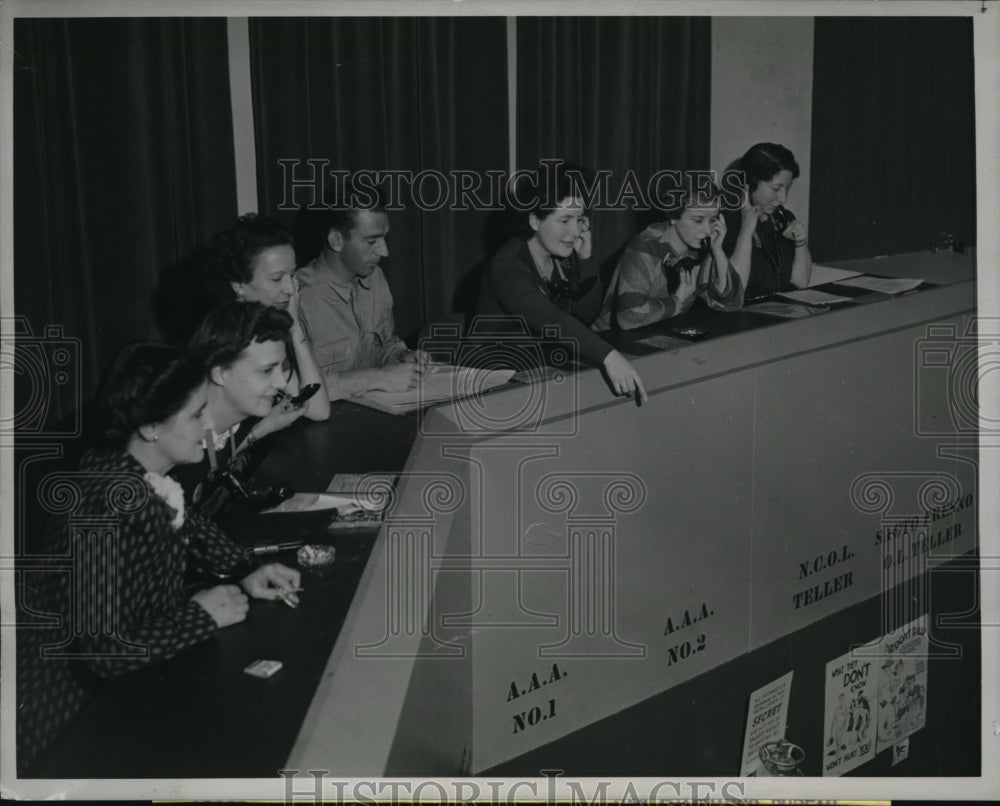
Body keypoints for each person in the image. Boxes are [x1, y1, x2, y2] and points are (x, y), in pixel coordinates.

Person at [16, 343, 300, 774]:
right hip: (63, 714)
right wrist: (201, 615)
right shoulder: (102, 508)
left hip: (118, 688)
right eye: (195, 414)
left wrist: (246, 567)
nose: (208, 425)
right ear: (150, 426)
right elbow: (105, 651)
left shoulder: (130, 470)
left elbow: (184, 521)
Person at [476, 163, 647, 402]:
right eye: (565, 220)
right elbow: (549, 319)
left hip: (538, 366)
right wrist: (609, 356)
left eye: (580, 219)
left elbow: (583, 314)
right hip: (495, 377)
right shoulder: (506, 268)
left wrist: (586, 261)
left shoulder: (558, 255)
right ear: (535, 221)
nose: (576, 230)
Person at [295, 190, 427, 398]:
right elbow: (296, 389)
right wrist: (378, 378)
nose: (384, 252)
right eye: (371, 241)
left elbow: (384, 346)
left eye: (384, 238)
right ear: (336, 240)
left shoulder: (376, 279)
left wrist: (402, 357)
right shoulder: (296, 298)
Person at [205, 213, 331, 420]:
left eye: (291, 275)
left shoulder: (261, 329)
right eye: (276, 278)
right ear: (239, 285)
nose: (291, 289)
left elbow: (318, 409)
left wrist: (295, 328)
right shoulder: (229, 338)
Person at [592, 177, 743, 330]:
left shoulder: (701, 247)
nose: (708, 230)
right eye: (698, 220)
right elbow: (629, 317)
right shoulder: (645, 247)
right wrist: (677, 301)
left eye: (713, 220)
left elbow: (729, 305)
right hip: (612, 340)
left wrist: (717, 250)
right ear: (673, 216)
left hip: (661, 335)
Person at [188, 300, 306, 475]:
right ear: (220, 374)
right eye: (267, 370)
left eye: (281, 368)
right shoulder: (177, 446)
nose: (281, 383)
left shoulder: (231, 427)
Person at [723, 142, 812, 299]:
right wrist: (746, 231)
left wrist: (800, 243)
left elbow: (801, 283)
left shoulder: (784, 218)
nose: (783, 198)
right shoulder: (723, 225)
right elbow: (733, 294)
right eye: (776, 189)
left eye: (788, 188)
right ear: (749, 184)